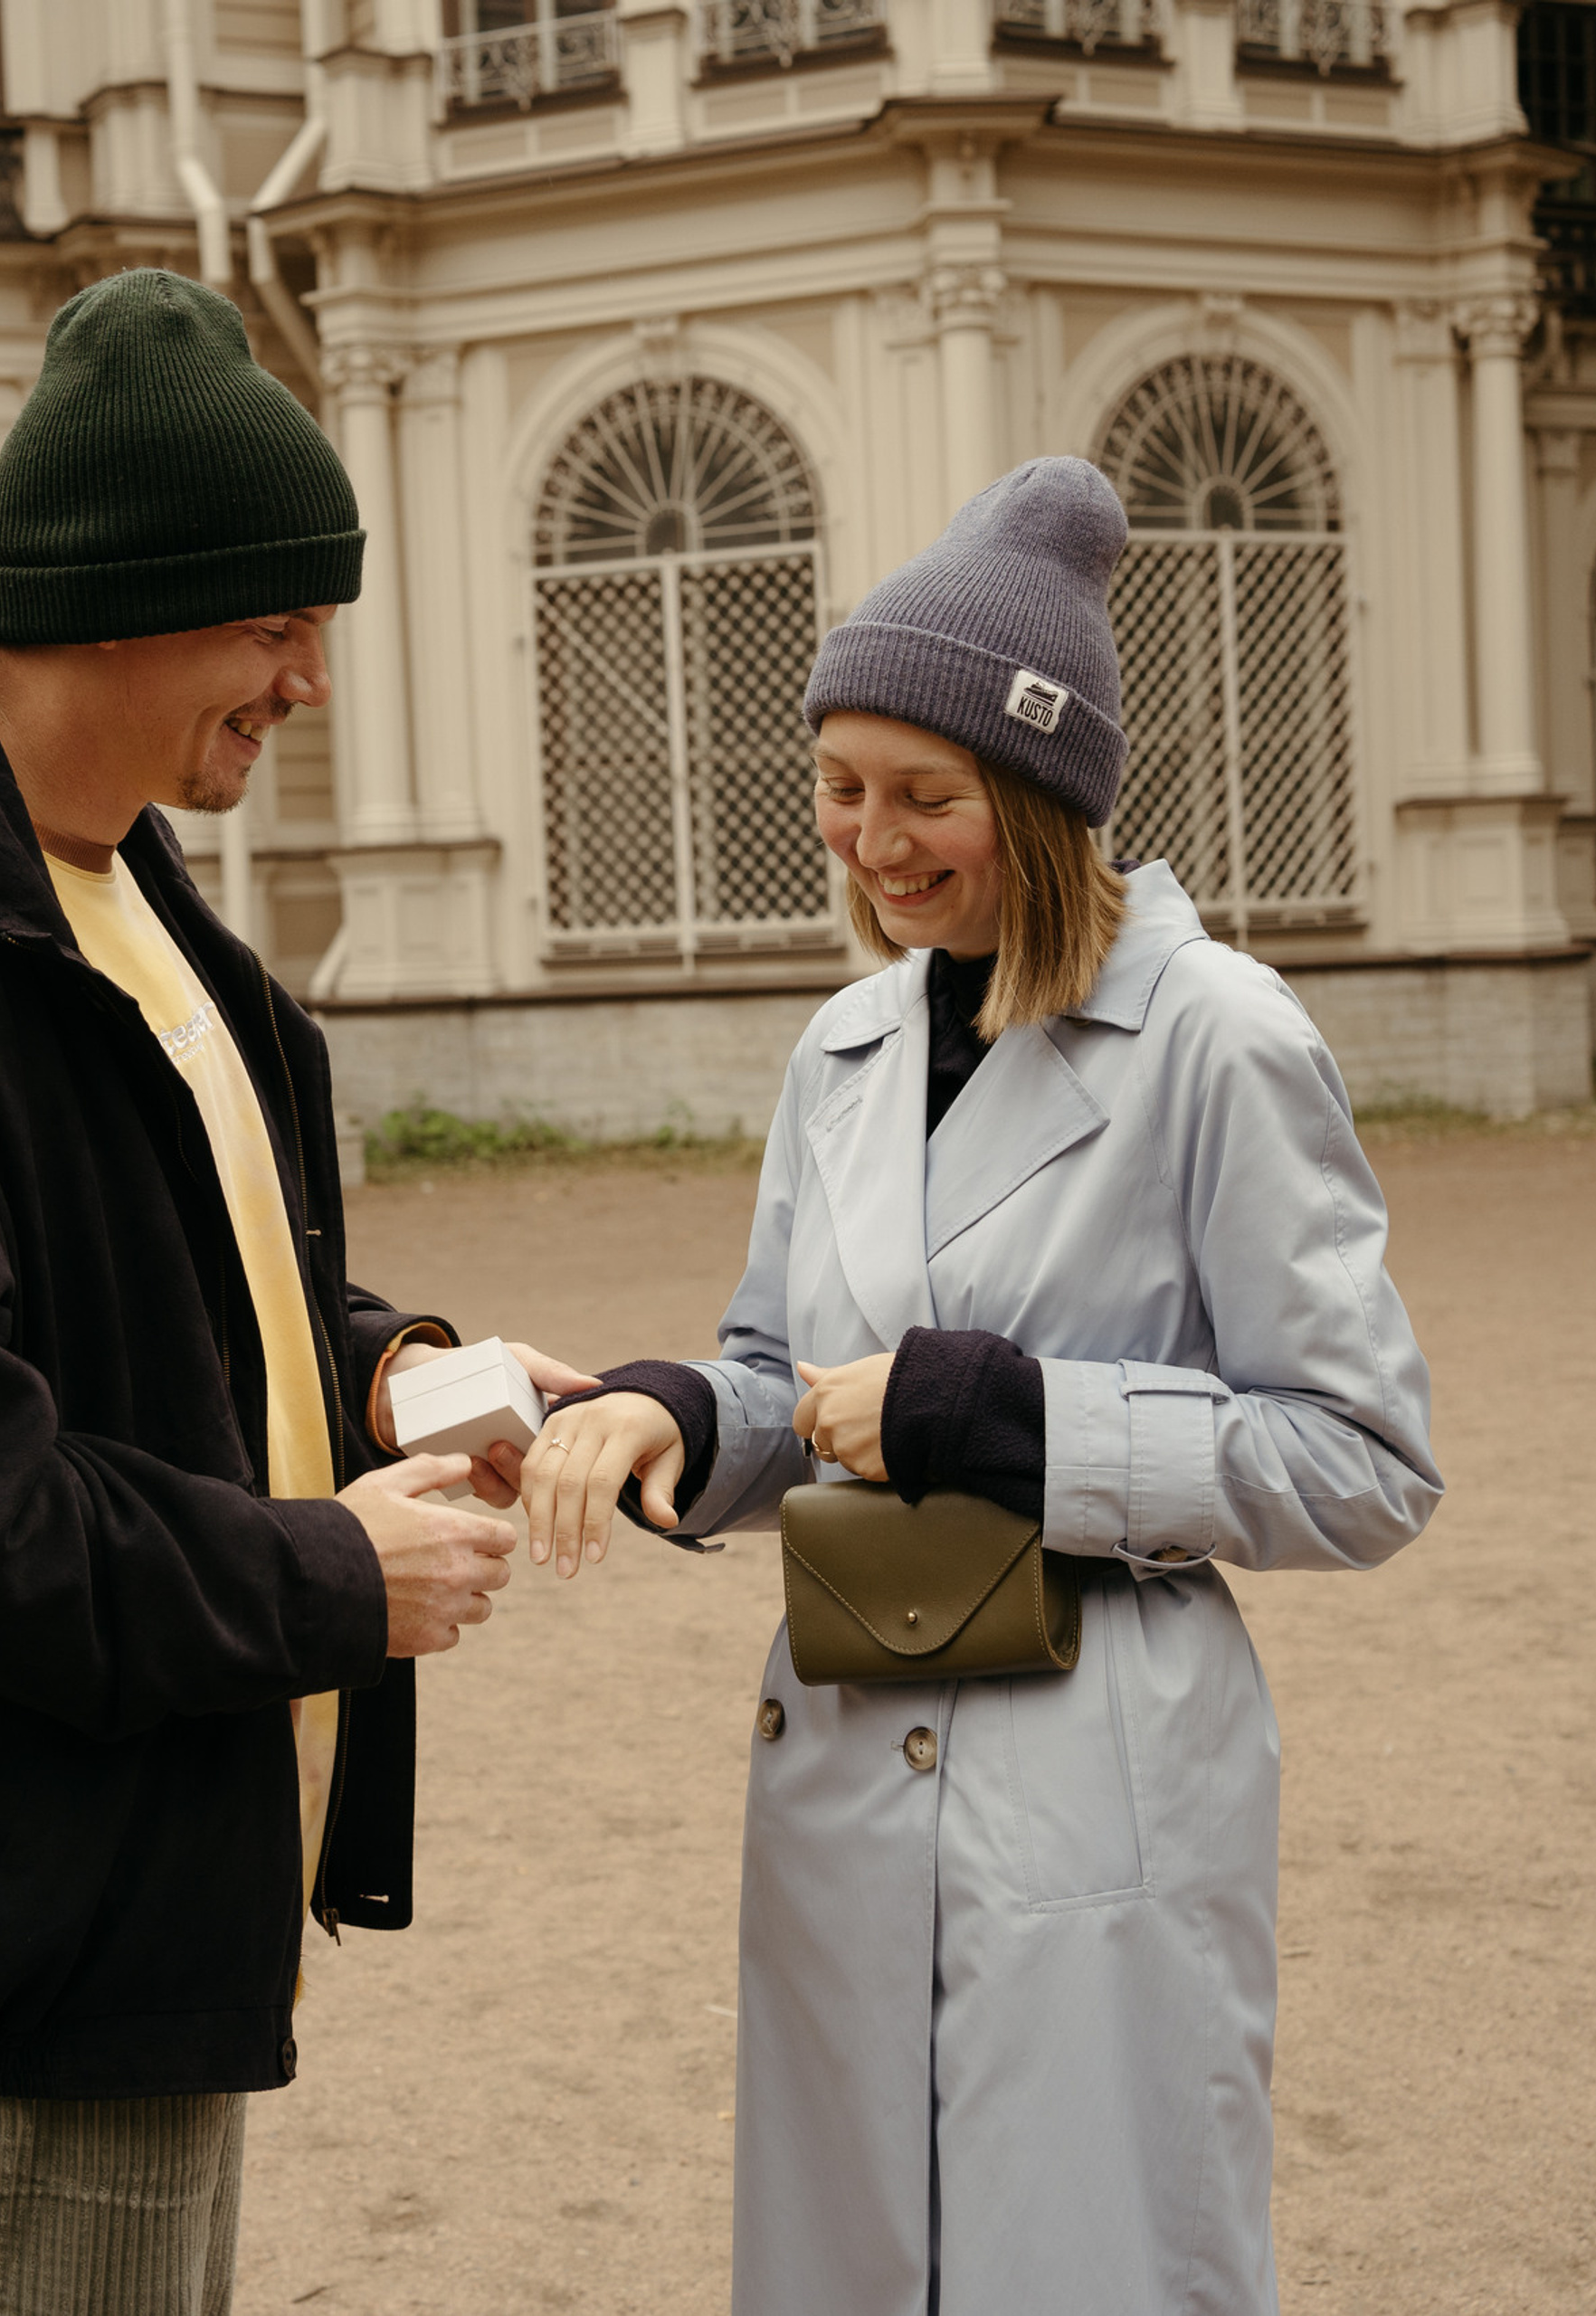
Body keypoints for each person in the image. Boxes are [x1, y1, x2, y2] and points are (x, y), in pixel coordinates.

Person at [0, 269, 594, 2316]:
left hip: (120, 1870)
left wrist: (398, 1373)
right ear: (124, 603)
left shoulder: (105, 871)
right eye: (273, 624)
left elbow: (181, 1277)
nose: (304, 681)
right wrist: (328, 1579)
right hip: (10, 1941)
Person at [507, 457, 1442, 2316]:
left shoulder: (1219, 1041)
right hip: (844, 1774)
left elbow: (1358, 1459)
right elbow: (793, 1371)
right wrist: (676, 1416)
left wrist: (1013, 1421)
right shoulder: (840, 1044)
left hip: (1094, 1779)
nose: (870, 840)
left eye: (923, 795)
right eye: (838, 789)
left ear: (1041, 792)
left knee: (1086, 2263)